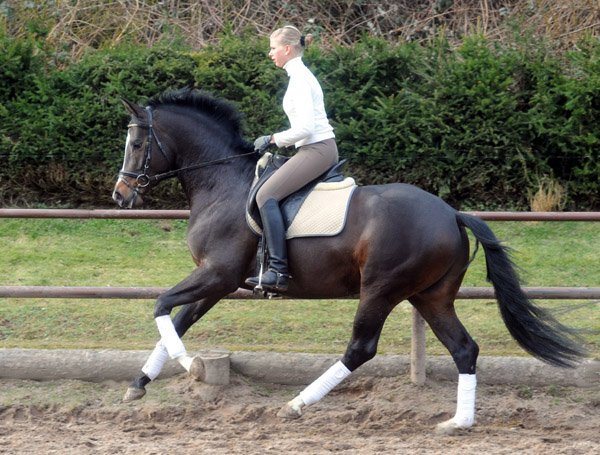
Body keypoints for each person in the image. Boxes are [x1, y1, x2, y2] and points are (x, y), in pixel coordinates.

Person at [245, 25, 339, 293]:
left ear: (287, 49)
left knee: (266, 195)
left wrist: (272, 139)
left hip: (317, 149)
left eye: (273, 48)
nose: (270, 53)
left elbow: (305, 129)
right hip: (312, 148)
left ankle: (278, 271)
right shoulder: (298, 75)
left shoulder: (299, 79)